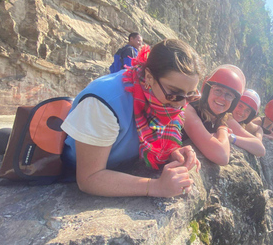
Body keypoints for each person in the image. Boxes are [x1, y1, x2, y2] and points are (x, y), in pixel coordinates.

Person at [61, 39, 203, 197]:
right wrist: (156, 187)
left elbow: (152, 132)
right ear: (149, 77)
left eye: (191, 94)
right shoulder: (103, 103)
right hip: (70, 171)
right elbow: (89, 178)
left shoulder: (158, 97)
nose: (182, 103)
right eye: (174, 93)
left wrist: (172, 151)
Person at [182, 65, 246, 165]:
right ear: (207, 91)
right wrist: (224, 131)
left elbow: (260, 149)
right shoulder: (189, 109)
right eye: (218, 90)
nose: (222, 98)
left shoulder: (222, 118)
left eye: (229, 95)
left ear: (233, 102)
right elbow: (222, 156)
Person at [229, 89, 266, 156]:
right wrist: (231, 138)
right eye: (240, 106)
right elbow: (260, 150)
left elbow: (259, 129)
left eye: (247, 110)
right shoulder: (228, 118)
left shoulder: (244, 124)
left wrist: (258, 139)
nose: (242, 112)